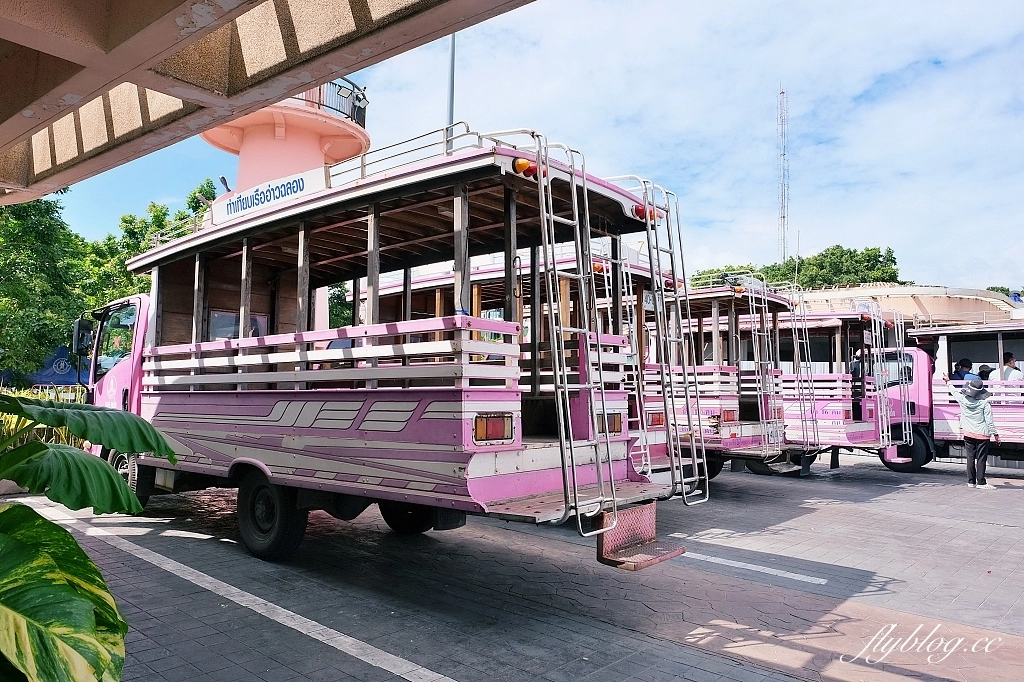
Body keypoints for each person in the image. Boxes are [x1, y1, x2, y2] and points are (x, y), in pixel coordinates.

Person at [942, 376, 999, 489]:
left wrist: (948, 381)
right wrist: (995, 434)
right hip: (982, 434)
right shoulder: (985, 403)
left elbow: (953, 391)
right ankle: (981, 482)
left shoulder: (962, 399)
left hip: (968, 433)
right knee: (981, 459)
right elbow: (989, 421)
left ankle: (971, 481)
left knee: (970, 457)